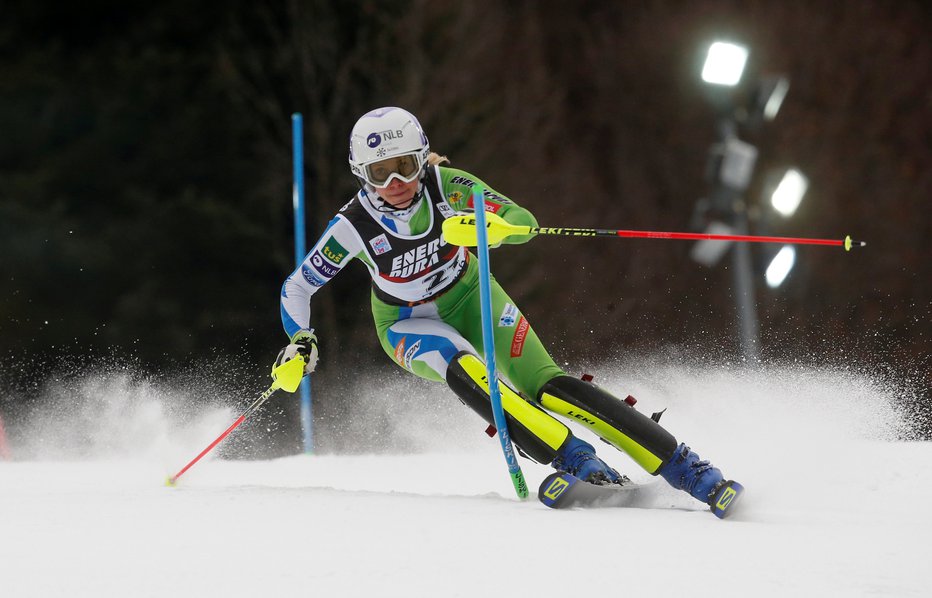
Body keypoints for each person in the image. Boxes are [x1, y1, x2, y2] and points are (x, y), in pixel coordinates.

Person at [276, 106, 743, 517]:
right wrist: (300, 340)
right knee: (466, 370)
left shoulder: (449, 186)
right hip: (406, 324)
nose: (396, 183)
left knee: (549, 387)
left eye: (404, 167)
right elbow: (298, 287)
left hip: (473, 295)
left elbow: (524, 223)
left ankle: (687, 467)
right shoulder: (352, 227)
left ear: (422, 158)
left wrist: (487, 229)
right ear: (362, 174)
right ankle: (575, 459)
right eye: (380, 173)